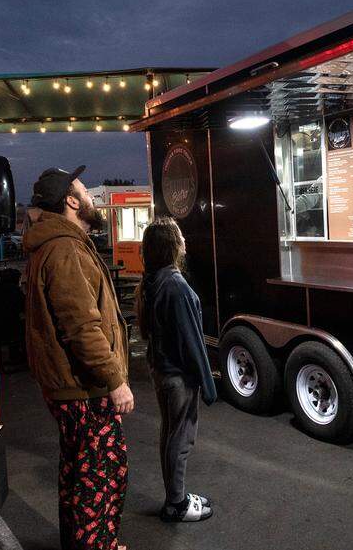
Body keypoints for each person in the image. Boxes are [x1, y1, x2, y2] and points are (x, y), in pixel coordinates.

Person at [22, 165, 132, 550]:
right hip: (84, 389)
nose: (91, 197)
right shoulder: (64, 249)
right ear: (71, 201)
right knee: (100, 479)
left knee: (78, 475)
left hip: (70, 388)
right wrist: (115, 380)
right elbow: (82, 327)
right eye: (85, 191)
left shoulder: (57, 244)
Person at [135, 217, 217, 523]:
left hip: (161, 372)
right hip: (177, 378)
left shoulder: (154, 280)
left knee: (170, 435)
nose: (184, 238)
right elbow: (191, 341)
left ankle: (176, 496)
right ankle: (176, 504)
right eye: (180, 235)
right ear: (173, 245)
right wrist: (208, 386)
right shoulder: (176, 285)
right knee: (181, 440)